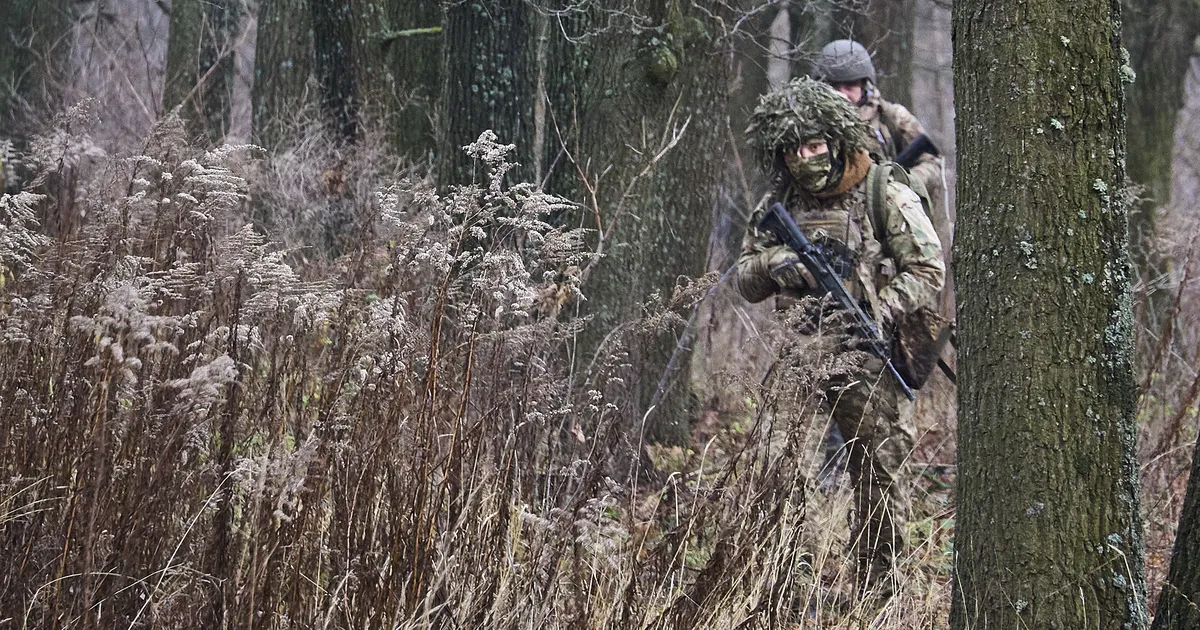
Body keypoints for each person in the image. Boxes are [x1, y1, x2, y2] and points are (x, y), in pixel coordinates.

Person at [738, 77, 945, 600]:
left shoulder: (882, 189)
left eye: (813, 146)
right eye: (793, 149)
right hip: (799, 353)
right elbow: (743, 277)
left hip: (867, 355)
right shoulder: (778, 201)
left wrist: (881, 308)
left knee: (879, 475)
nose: (804, 158)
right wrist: (774, 264)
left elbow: (928, 269)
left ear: (834, 140)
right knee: (779, 467)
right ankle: (788, 589)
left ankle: (880, 594)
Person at [812, 39, 944, 218]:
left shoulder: (892, 117)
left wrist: (899, 184)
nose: (842, 94)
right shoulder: (811, 124)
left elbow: (932, 164)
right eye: (834, 86)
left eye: (850, 86)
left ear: (864, 85)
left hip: (886, 216)